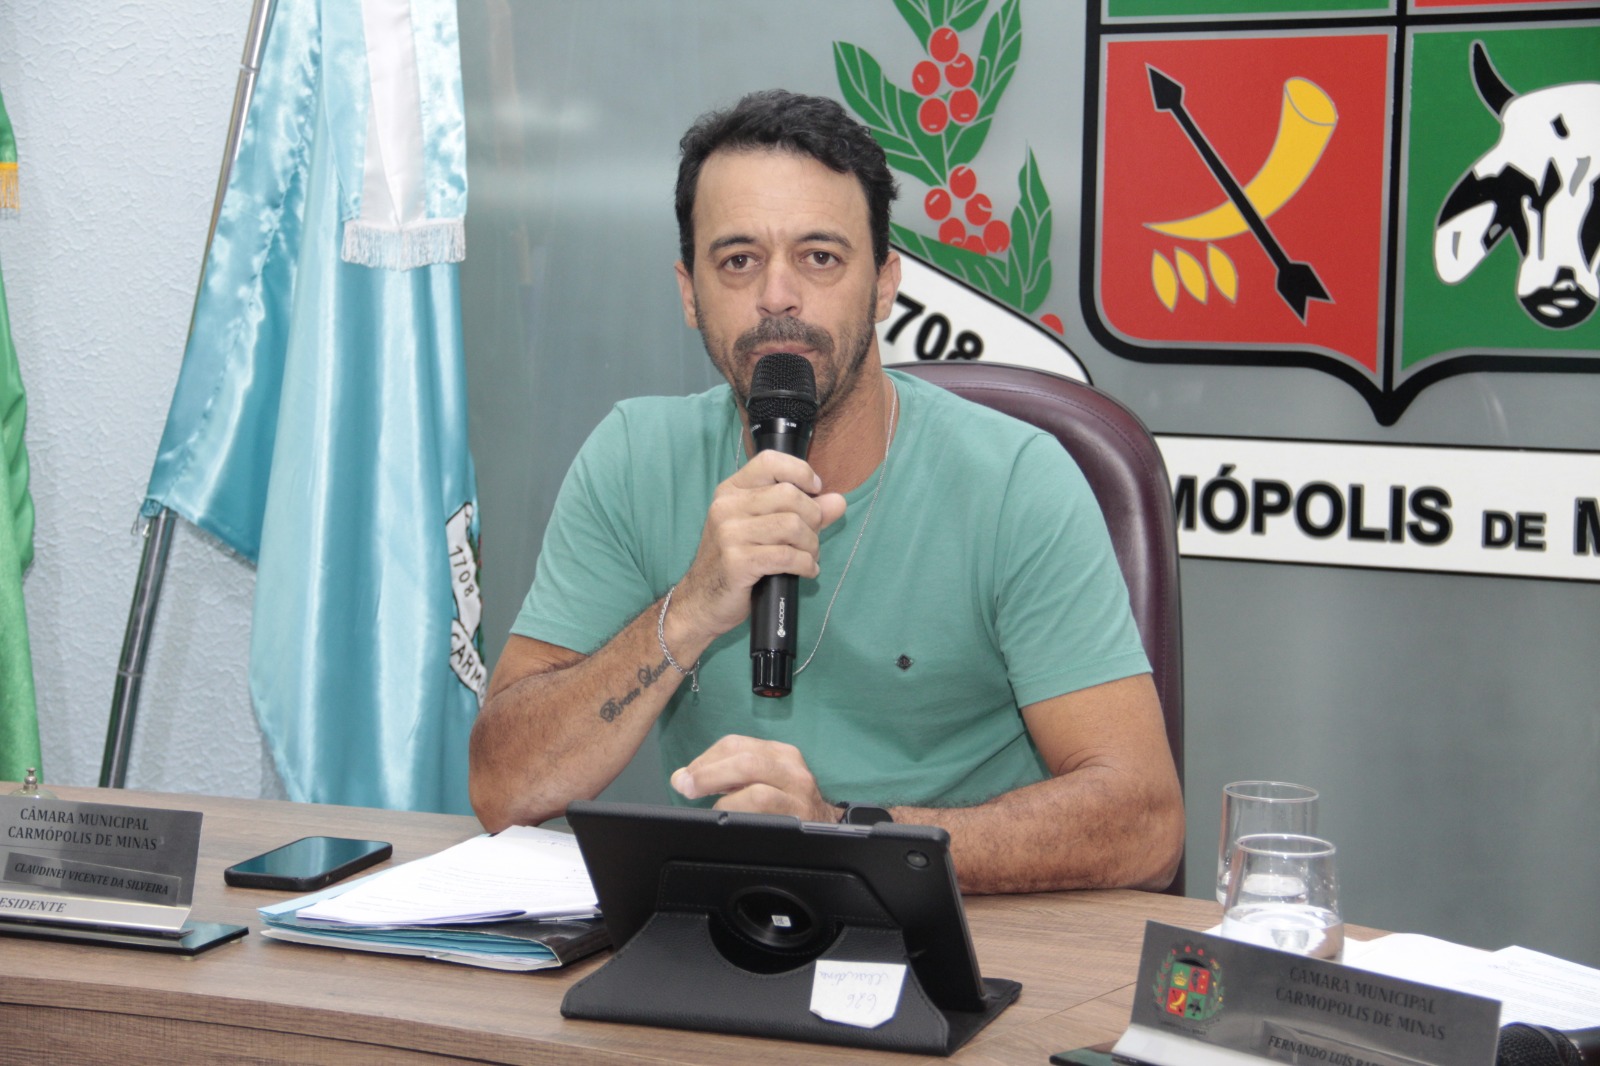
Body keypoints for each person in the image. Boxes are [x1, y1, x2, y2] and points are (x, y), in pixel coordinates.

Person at [469, 90, 1184, 894]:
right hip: (729, 925)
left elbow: (1143, 821)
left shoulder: (1016, 478)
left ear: (884, 283)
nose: (778, 296)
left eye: (819, 257)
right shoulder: (634, 456)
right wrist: (691, 608)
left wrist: (843, 836)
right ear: (689, 292)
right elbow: (506, 788)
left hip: (967, 928)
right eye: (738, 260)